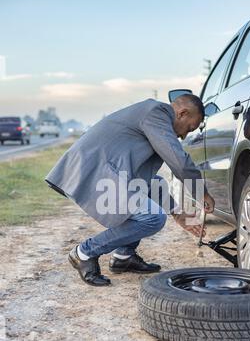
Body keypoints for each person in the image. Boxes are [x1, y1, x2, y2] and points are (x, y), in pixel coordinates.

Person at [45, 95, 215, 287]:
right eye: (189, 128)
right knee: (153, 217)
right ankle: (84, 252)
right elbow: (179, 162)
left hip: (107, 171)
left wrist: (177, 213)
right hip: (93, 170)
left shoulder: (153, 116)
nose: (184, 136)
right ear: (182, 113)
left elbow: (150, 183)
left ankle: (123, 257)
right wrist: (202, 193)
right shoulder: (156, 114)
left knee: (153, 189)